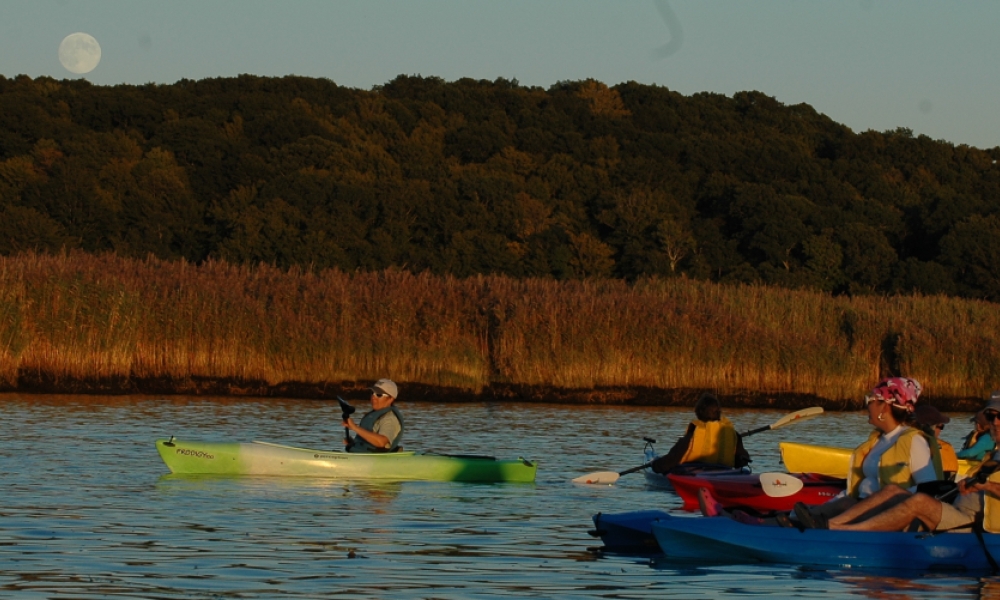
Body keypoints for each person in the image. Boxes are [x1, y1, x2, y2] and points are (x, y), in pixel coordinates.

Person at [797, 394, 1000, 532]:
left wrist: (988, 485)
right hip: (957, 509)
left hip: (973, 525)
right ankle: (828, 524)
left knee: (919, 500)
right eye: (991, 417)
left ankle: (846, 531)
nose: (995, 422)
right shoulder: (993, 456)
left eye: (999, 417)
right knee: (892, 490)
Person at [782, 377, 943, 527]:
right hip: (858, 505)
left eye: (870, 399)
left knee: (850, 505)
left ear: (885, 406)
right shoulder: (877, 441)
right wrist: (825, 506)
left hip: (886, 513)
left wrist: (885, 499)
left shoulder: (913, 440)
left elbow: (929, 488)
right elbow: (853, 490)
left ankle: (825, 528)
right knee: (846, 502)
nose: (867, 405)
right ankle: (795, 519)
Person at [651, 392, 751, 474]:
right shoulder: (734, 435)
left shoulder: (693, 433)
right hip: (723, 473)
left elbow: (671, 460)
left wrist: (655, 465)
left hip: (693, 474)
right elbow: (743, 461)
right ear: (719, 414)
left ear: (699, 412)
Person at [344, 378, 404, 453]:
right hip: (363, 456)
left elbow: (382, 442)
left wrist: (355, 427)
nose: (373, 397)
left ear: (390, 399)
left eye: (379, 395)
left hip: (376, 460)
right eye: (372, 393)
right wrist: (353, 443)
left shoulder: (390, 419)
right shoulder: (374, 415)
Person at [913, 403, 958, 480]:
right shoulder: (946, 448)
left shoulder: (904, 443)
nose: (940, 430)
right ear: (928, 427)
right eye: (940, 426)